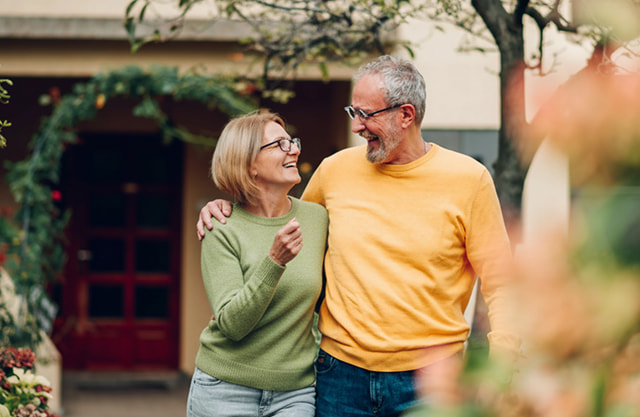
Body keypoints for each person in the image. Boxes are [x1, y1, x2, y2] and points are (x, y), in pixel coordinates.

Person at [196, 56, 520, 416]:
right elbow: (279, 221)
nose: (357, 127)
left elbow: (501, 283)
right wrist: (228, 207)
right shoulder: (334, 171)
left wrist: (501, 368)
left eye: (367, 115)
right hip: (339, 376)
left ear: (406, 115)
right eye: (354, 112)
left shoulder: (469, 180)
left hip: (432, 380)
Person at [186, 109, 328, 417]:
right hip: (224, 388)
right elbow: (232, 326)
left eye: (292, 141)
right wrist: (274, 261)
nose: (295, 150)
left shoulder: (318, 219)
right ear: (249, 164)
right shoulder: (220, 226)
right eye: (280, 144)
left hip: (296, 391)